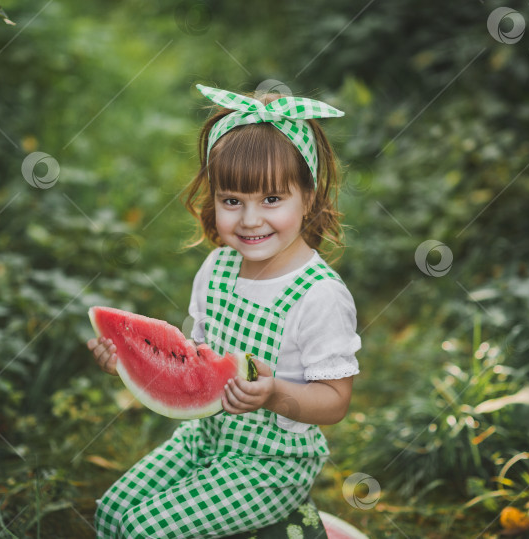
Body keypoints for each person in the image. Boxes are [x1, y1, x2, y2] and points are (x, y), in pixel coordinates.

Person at [87, 83, 361, 538]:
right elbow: (192, 358)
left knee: (144, 529)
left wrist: (273, 394)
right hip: (204, 439)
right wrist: (130, 363)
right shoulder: (217, 267)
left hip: (274, 466)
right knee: (113, 512)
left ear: (307, 198)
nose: (250, 220)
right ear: (213, 200)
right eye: (232, 201)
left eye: (271, 200)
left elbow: (336, 402)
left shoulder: (319, 296)